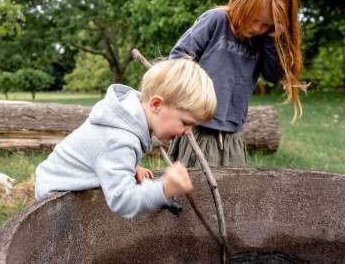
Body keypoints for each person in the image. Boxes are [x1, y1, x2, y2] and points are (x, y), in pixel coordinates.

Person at [34, 58, 217, 219]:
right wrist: (164, 188)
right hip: (56, 199)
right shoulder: (119, 140)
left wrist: (128, 166)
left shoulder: (127, 116)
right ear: (156, 105)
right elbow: (122, 201)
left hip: (63, 181)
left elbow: (100, 153)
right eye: (185, 123)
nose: (188, 132)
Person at [168, 0, 307, 168]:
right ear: (242, 2)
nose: (257, 28)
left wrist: (272, 40)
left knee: (235, 186)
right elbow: (178, 56)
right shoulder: (216, 20)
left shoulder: (262, 39)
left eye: (266, 24)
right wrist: (192, 97)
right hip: (198, 128)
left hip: (234, 134)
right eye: (254, 18)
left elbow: (272, 76)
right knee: (194, 185)